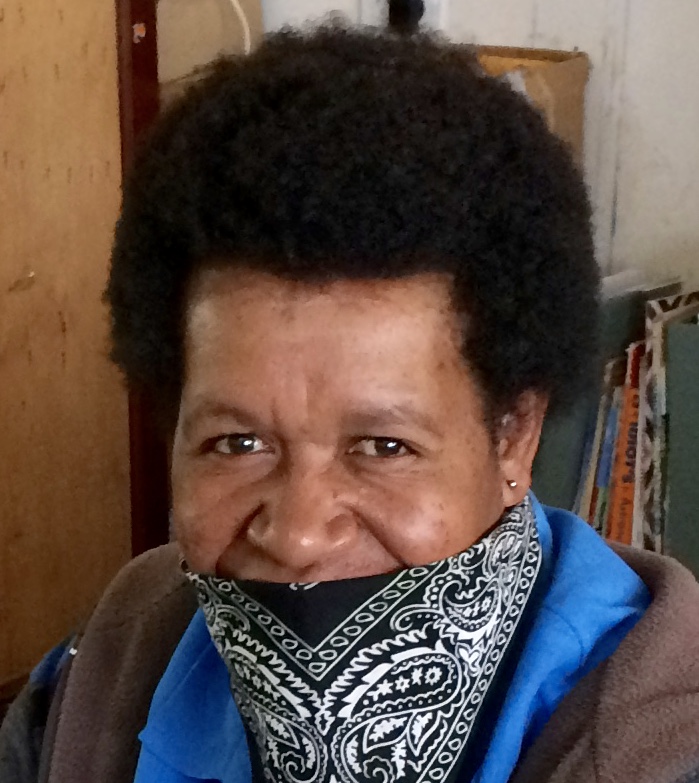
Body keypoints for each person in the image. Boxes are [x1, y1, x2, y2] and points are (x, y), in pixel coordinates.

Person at [3, 23, 699, 783]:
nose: (298, 536)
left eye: (382, 446)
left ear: (513, 438)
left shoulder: (661, 747)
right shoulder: (109, 669)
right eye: (237, 443)